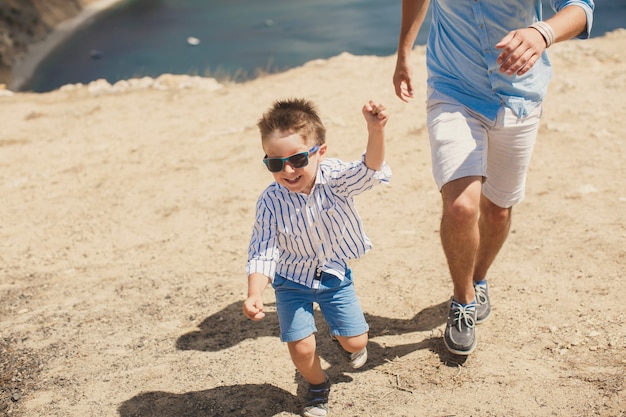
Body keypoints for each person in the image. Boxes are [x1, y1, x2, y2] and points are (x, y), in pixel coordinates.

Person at [392, 0, 594, 355]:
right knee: (460, 208)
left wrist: (541, 33)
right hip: (453, 91)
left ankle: (479, 277)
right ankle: (464, 300)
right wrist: (403, 52)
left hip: (519, 97)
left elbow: (581, 8)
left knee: (498, 210)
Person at [243, 98, 391, 417]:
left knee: (355, 342)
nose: (288, 170)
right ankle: (317, 385)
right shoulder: (270, 201)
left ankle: (343, 337)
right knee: (302, 346)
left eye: (297, 158)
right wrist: (255, 292)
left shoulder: (335, 177)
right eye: (275, 163)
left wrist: (375, 129)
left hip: (334, 275)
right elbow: (263, 248)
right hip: (291, 281)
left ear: (319, 152)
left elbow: (369, 170)